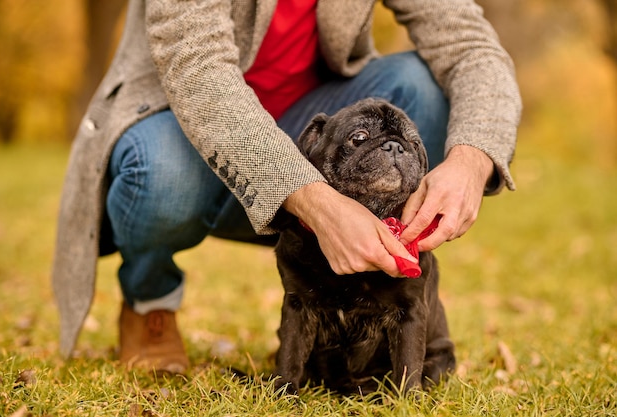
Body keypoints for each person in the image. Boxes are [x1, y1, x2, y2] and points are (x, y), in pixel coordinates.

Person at [52, 0, 521, 374]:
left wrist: (472, 158)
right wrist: (315, 200)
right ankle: (149, 300)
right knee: (160, 175)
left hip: (316, 119)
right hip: (182, 119)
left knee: (419, 85)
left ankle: (367, 279)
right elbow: (196, 66)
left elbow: (471, 46)